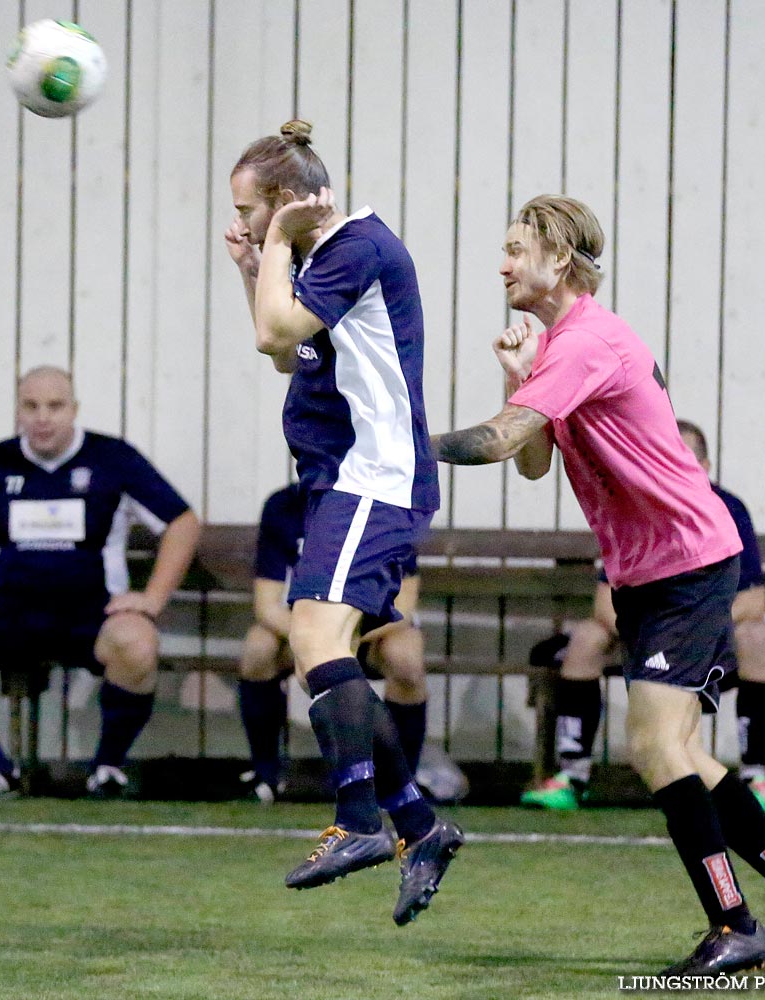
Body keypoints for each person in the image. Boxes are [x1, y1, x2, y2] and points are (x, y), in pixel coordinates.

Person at [430, 195, 765, 972]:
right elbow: (531, 459)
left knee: (655, 745)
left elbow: (498, 444)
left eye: (513, 248)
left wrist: (405, 442)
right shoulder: (562, 348)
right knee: (684, 754)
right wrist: (518, 379)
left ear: (558, 259)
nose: (500, 264)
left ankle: (734, 925)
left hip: (686, 564)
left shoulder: (590, 340)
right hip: (652, 571)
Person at [225, 120, 462, 925]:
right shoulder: (322, 256)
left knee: (314, 640)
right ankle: (420, 828)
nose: (243, 222)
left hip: (374, 477)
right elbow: (288, 356)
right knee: (320, 646)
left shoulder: (357, 246)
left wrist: (276, 260)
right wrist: (260, 267)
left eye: (250, 209)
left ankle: (361, 824)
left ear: (288, 202)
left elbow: (272, 330)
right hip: (342, 483)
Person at [0, 366, 200, 800]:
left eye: (54, 406)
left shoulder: (113, 459)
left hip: (90, 614)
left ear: (74, 410)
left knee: (138, 643)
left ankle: (107, 771)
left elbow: (182, 523)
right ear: (18, 412)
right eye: (31, 406)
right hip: (11, 611)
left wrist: (152, 599)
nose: (43, 417)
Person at [524, 419, 765, 816]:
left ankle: (755, 776)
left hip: (708, 634)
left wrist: (692, 625)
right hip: (645, 632)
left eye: (690, 460)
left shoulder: (728, 510)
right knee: (585, 638)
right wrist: (657, 632)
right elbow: (604, 603)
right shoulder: (635, 506)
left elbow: (753, 603)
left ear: (707, 466)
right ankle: (572, 775)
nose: (680, 468)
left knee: (757, 636)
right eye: (670, 457)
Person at [237, 482, 469, 804]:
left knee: (405, 656)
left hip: (373, 630)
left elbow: (403, 607)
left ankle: (402, 781)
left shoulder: (389, 502)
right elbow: (266, 606)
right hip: (309, 627)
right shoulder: (285, 506)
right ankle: (266, 775)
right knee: (258, 646)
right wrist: (317, 636)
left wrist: (345, 636)